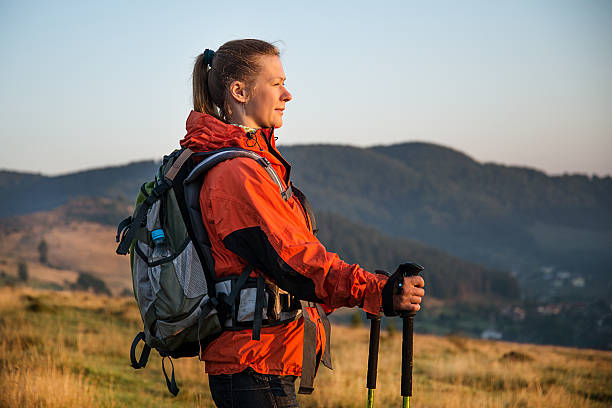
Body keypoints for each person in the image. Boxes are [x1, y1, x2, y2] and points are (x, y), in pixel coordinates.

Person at [179, 39, 425, 408]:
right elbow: (296, 262)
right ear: (239, 91)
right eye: (276, 84)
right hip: (254, 366)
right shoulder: (239, 174)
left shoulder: (250, 162)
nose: (287, 94)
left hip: (260, 362)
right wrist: (376, 290)